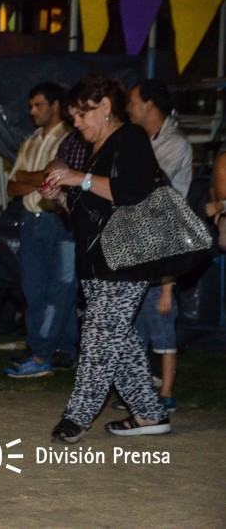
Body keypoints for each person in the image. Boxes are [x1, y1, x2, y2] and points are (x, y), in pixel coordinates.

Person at [42, 73, 170, 443]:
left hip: (125, 260)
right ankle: (150, 414)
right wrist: (62, 195)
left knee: (99, 338)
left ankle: (78, 416)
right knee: (119, 341)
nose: (76, 123)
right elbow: (91, 210)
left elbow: (133, 192)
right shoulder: (99, 150)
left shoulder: (130, 137)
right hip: (98, 261)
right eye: (73, 116)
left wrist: (76, 177)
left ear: (105, 106)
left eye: (81, 114)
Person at [124, 79, 193, 414]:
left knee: (162, 325)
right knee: (135, 324)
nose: (128, 108)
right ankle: (141, 390)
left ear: (149, 105)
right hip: (139, 241)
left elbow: (144, 183)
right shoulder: (139, 139)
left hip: (163, 239)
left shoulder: (175, 143)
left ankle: (164, 392)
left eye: (132, 102)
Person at [3, 82, 77, 378]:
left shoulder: (70, 138)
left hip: (59, 222)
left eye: (38, 105)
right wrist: (41, 178)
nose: (33, 111)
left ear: (55, 105)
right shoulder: (31, 141)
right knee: (35, 290)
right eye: (31, 106)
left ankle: (44, 352)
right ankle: (56, 349)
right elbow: (12, 186)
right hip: (32, 220)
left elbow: (55, 179)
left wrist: (28, 176)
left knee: (61, 289)